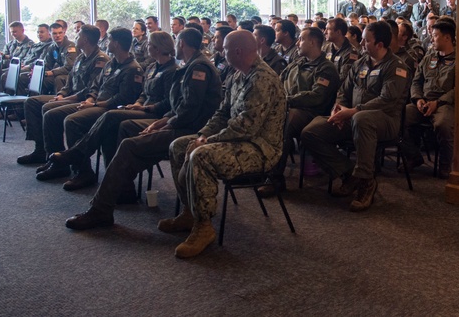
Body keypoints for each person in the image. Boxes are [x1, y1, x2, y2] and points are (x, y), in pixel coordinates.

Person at [64, 28, 224, 236]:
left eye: (177, 42)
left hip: (190, 131)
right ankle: (122, 188)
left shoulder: (198, 67)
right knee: (123, 126)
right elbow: (180, 106)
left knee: (129, 145)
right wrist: (162, 119)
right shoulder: (188, 65)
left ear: (182, 44)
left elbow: (190, 111)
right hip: (179, 122)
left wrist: (166, 123)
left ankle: (101, 208)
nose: (175, 45)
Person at [150, 30, 285, 259]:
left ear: (238, 51)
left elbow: (246, 127)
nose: (219, 51)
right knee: (179, 145)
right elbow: (222, 113)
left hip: (259, 148)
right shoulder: (238, 74)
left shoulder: (262, 79)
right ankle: (190, 211)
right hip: (238, 140)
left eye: (224, 49)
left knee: (201, 155)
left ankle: (203, 227)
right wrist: (202, 134)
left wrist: (207, 142)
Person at [49, 31, 178, 191]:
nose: (147, 48)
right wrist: (138, 103)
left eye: (150, 45)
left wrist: (143, 106)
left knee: (107, 116)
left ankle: (78, 153)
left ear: (158, 48)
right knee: (109, 125)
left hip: (153, 113)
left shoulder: (171, 70)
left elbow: (168, 102)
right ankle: (108, 179)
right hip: (138, 108)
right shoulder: (152, 67)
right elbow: (143, 93)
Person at [300, 21, 408, 212]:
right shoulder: (360, 63)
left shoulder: (396, 66)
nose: (362, 44)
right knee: (311, 131)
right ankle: (349, 174)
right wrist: (339, 109)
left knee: (362, 119)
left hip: (386, 120)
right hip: (353, 117)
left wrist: (352, 111)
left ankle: (366, 181)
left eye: (366, 41)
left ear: (379, 45)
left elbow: (387, 100)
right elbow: (344, 90)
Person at [35, 28, 144, 182]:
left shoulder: (133, 68)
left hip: (110, 109)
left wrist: (96, 104)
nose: (107, 43)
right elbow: (95, 85)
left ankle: (83, 171)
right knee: (52, 114)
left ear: (117, 44)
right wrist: (91, 99)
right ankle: (57, 163)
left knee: (72, 121)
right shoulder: (112, 63)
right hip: (97, 104)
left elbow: (123, 99)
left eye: (111, 40)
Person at [260, 27, 341, 196]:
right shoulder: (297, 64)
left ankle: (275, 178)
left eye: (301, 39)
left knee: (285, 121)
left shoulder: (326, 68)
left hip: (312, 113)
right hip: (289, 108)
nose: (298, 43)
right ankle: (258, 167)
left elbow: (316, 97)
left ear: (312, 42)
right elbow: (278, 84)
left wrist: (285, 101)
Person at [17, 25, 109, 165]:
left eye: (78, 36)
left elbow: (91, 90)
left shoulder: (100, 60)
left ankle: (57, 159)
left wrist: (66, 98)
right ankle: (41, 150)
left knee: (49, 110)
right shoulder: (80, 57)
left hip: (85, 100)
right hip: (71, 96)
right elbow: (69, 81)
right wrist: (61, 94)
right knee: (32, 102)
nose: (75, 38)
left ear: (84, 40)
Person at [400, 19, 456, 177]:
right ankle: (413, 157)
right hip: (423, 102)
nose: (432, 39)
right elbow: (416, 81)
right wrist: (418, 99)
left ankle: (445, 166)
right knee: (399, 117)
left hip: (445, 104)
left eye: (435, 35)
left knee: (443, 125)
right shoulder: (429, 56)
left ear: (447, 38)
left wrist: (438, 103)